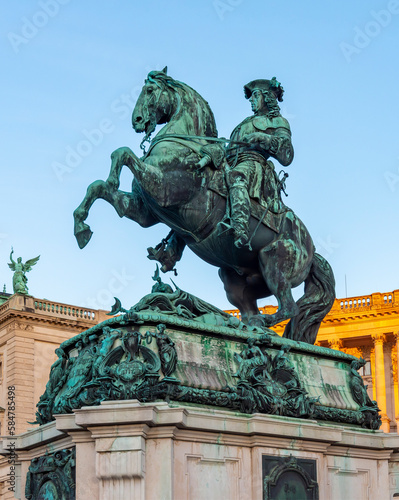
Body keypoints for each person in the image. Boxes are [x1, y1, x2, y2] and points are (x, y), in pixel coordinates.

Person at [221, 77, 294, 248]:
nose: (251, 101)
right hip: (231, 161)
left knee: (236, 177)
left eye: (255, 96)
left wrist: (263, 138)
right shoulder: (245, 122)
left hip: (253, 164)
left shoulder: (277, 121)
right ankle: (173, 248)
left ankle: (240, 228)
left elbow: (287, 154)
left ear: (267, 97)